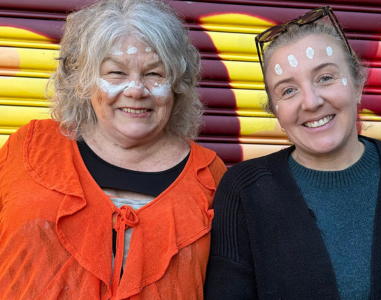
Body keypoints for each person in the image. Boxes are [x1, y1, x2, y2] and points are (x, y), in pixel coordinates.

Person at [0, 0, 226, 298]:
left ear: (177, 84)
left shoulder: (209, 175)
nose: (135, 90)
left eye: (154, 74)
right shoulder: (29, 149)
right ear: (83, 80)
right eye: (116, 73)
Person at [204, 6, 381, 299]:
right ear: (276, 112)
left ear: (358, 84)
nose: (310, 102)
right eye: (288, 91)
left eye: (325, 78)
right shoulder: (244, 191)